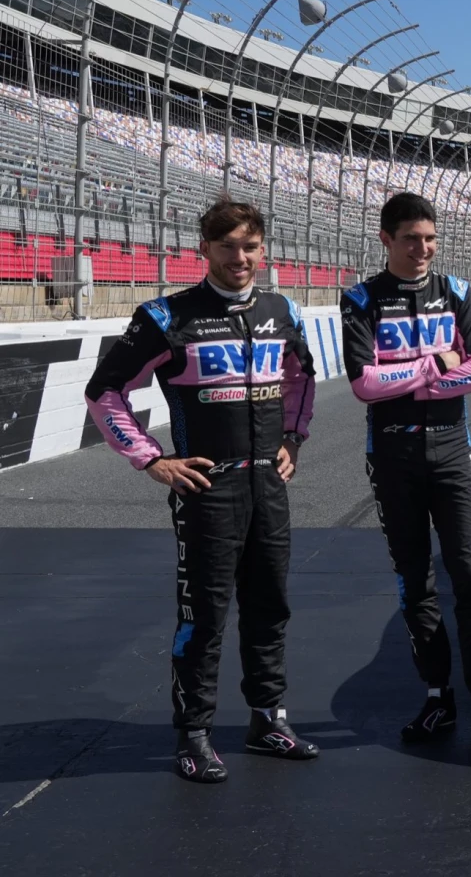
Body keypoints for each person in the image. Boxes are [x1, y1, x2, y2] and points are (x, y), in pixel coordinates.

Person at [84, 198, 320, 783]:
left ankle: (268, 719)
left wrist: (293, 438)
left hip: (268, 482)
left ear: (264, 250)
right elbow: (104, 392)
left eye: (250, 247)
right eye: (227, 247)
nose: (240, 258)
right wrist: (151, 459)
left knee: (270, 608)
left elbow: (301, 378)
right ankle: (193, 734)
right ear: (205, 251)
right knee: (206, 614)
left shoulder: (281, 309)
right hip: (206, 488)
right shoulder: (166, 315)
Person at [341, 192, 471, 747]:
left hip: (452, 453)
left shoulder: (456, 291)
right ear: (386, 239)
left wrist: (411, 375)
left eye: (431, 238)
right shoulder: (360, 299)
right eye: (411, 238)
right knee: (415, 584)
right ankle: (437, 696)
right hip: (392, 458)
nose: (423, 249)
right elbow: (365, 384)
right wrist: (438, 364)